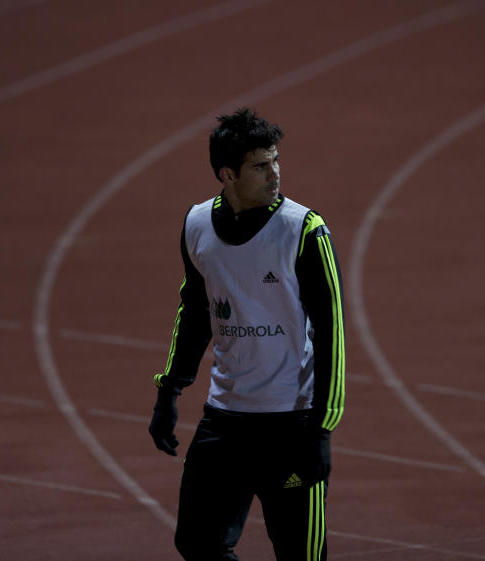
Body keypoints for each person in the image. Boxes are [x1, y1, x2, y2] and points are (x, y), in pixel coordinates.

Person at [147, 107, 345, 561]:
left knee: (302, 556)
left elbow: (334, 332)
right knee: (196, 542)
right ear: (227, 174)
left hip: (291, 423)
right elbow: (195, 311)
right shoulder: (197, 225)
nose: (274, 173)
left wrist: (321, 430)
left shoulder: (304, 231)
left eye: (275, 161)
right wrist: (170, 390)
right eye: (260, 166)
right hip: (226, 418)